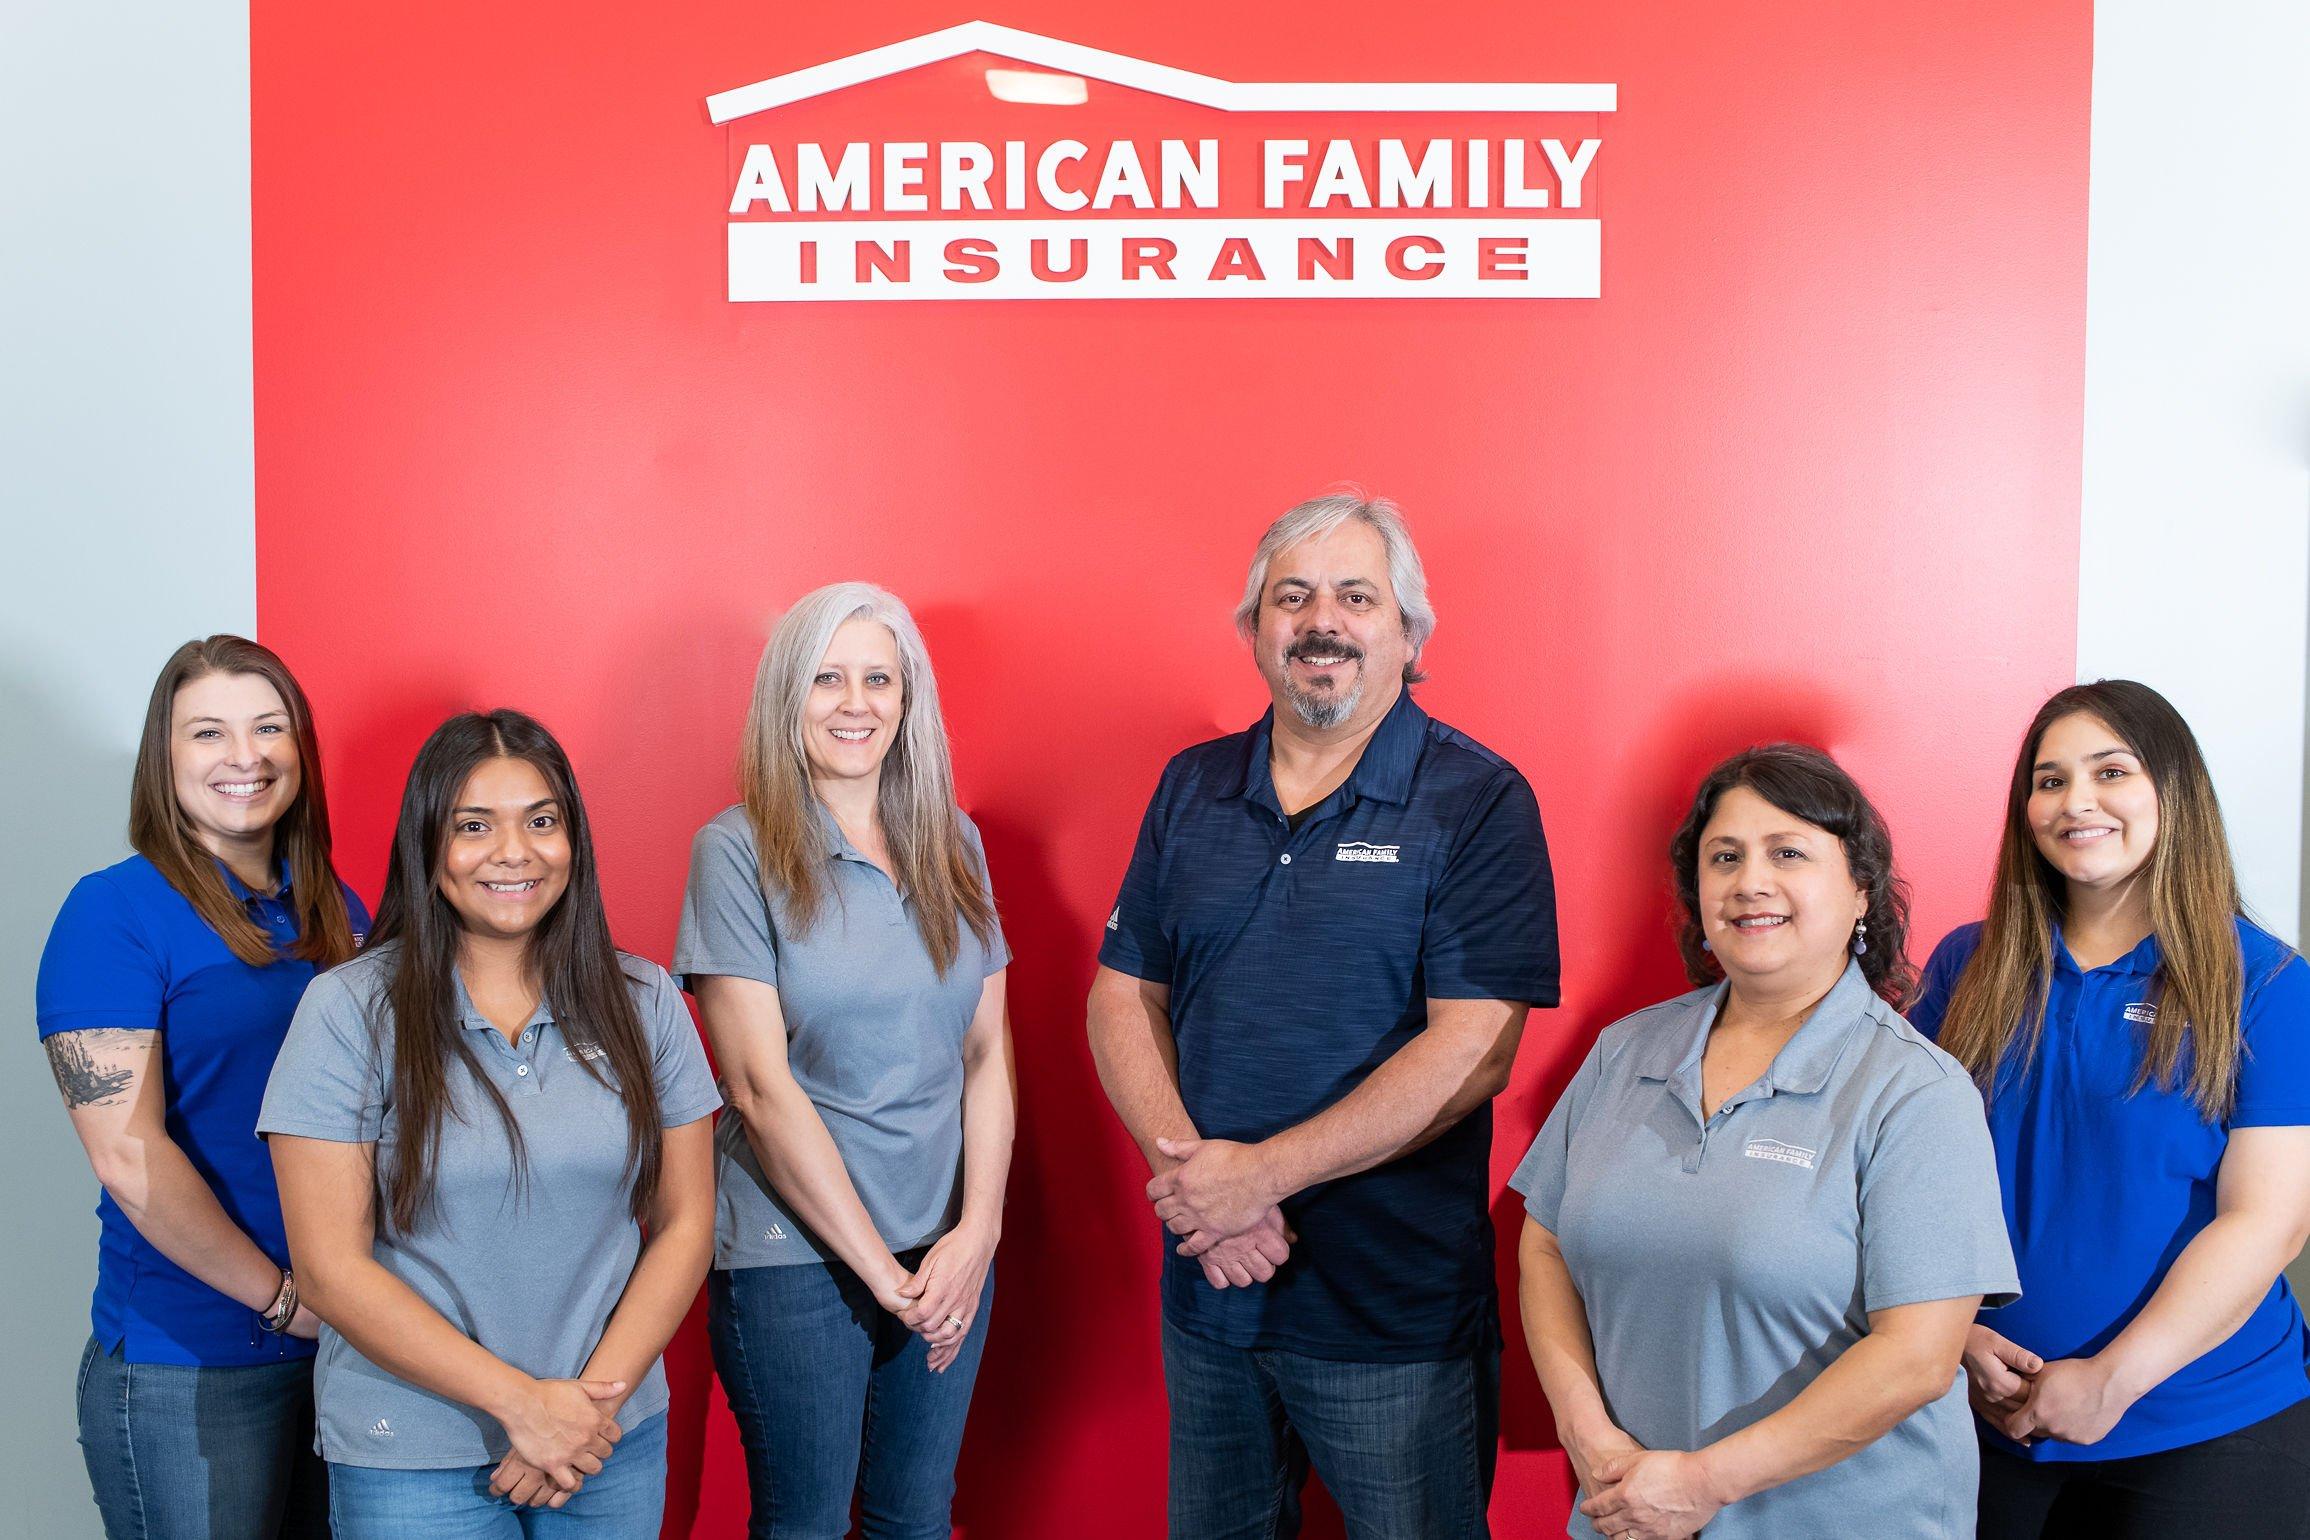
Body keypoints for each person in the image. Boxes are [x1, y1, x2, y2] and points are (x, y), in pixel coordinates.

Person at [1089, 492, 1558, 1538]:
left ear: (1409, 633)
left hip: (1391, 1319)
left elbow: (1475, 1048)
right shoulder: (1191, 788)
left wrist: (1261, 1176)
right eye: (1290, 597)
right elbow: (1122, 994)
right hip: (1211, 1294)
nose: (1321, 621)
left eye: (1356, 595)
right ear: (1256, 631)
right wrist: (1199, 1185)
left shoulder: (1477, 800)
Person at [1513, 744, 2018, 1540]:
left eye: (1788, 853)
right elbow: (1545, 1241)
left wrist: (1702, 1483)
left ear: (1861, 891)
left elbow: (1919, 1358)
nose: (1751, 882)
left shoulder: (1917, 1092)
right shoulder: (1625, 1051)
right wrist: (1587, 1436)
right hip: (1629, 1512)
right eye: (1725, 857)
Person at [258, 709, 719, 1537]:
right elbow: (327, 1269)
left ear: (573, 840)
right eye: (475, 825)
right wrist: (520, 1405)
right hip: (413, 1458)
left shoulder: (647, 1003)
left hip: (606, 1440)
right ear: (429, 847)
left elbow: (687, 1223)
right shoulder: (347, 1010)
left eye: (541, 821)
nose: (514, 851)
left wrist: (579, 1413)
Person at [1911, 680, 2310, 1538]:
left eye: (2110, 772)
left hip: (2207, 1431)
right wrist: (1948, 1340)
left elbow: (2267, 1221)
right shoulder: (1967, 965)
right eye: (2049, 781)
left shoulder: (2268, 984)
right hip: (1985, 1419)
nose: (2075, 802)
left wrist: (2114, 1379)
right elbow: (1897, 1178)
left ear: (2174, 790)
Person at [678, 582, 1014, 1539]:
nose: (855, 703)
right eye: (827, 678)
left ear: (909, 702)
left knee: (915, 1517)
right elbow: (755, 1086)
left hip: (945, 1248)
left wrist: (977, 1234)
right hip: (797, 1252)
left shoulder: (958, 845)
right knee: (808, 1525)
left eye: (878, 678)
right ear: (788, 697)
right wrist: (881, 1272)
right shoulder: (734, 851)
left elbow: (988, 1051)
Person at [37, 635, 367, 1539]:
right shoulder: (114, 913)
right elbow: (127, 1154)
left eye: (269, 727)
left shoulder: (341, 912)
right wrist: (282, 1300)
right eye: (208, 733)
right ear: (165, 758)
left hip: (342, 1343)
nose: (245, 756)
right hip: (191, 1359)